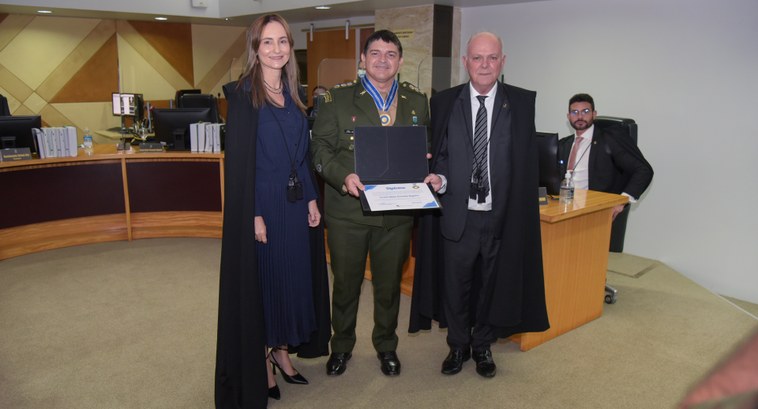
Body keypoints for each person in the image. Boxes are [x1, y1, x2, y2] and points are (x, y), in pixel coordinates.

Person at [411, 32, 550, 378]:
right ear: (465, 62)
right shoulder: (444, 102)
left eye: (491, 58)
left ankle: (483, 346)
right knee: (456, 287)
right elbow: (440, 158)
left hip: (501, 218)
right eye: (477, 58)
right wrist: (438, 181)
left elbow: (525, 163)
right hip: (459, 217)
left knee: (493, 285)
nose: (484, 65)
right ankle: (458, 346)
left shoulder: (520, 103)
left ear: (503, 61)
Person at [215, 14, 330, 408]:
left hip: (297, 205)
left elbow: (303, 155)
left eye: (282, 41)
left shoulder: (294, 94)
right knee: (266, 284)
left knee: (293, 282)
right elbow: (241, 165)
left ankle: (283, 353)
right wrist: (253, 214)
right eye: (268, 42)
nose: (277, 49)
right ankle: (263, 359)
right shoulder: (244, 96)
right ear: (255, 48)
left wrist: (314, 198)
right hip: (264, 204)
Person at [310, 29, 429, 377]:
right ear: (363, 60)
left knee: (389, 286)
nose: (382, 60)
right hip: (349, 212)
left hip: (397, 214)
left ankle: (386, 346)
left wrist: (425, 164)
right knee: (346, 284)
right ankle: (342, 346)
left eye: (390, 54)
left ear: (400, 61)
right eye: (375, 53)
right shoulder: (338, 98)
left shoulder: (417, 101)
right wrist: (342, 178)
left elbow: (425, 147)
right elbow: (320, 150)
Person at [558, 93, 653, 243]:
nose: (580, 116)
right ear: (568, 116)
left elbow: (643, 170)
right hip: (564, 210)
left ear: (594, 114)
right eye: (575, 112)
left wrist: (621, 201)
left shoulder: (611, 138)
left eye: (586, 111)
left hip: (595, 212)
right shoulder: (563, 144)